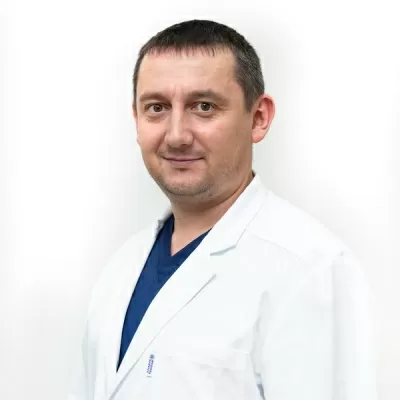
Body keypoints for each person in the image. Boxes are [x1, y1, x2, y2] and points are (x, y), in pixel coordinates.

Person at [68, 19, 377, 400]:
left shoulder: (312, 270)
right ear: (136, 120)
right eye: (157, 108)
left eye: (204, 107)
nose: (177, 135)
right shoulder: (121, 268)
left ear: (258, 118)